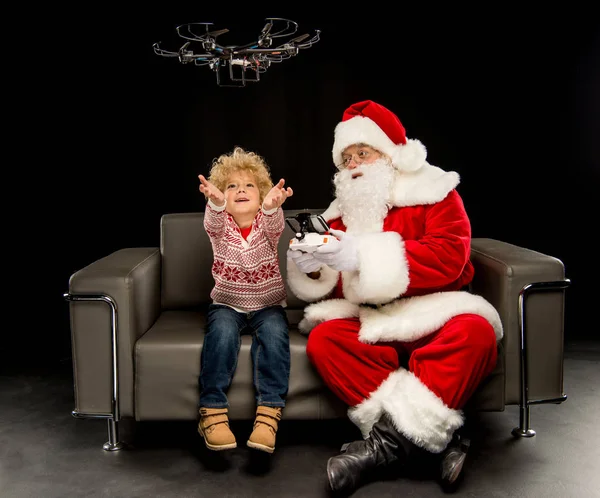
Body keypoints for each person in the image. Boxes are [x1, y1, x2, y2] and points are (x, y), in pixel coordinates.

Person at [286, 100, 503, 493]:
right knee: (325, 340)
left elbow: (449, 257)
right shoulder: (341, 210)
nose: (353, 164)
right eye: (346, 157)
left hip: (433, 311)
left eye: (362, 153)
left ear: (389, 154)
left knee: (476, 334)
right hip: (371, 318)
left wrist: (363, 255)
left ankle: (382, 447)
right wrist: (314, 268)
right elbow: (337, 283)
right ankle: (434, 443)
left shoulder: (435, 191)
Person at [197, 146, 293, 454]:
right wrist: (214, 202)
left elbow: (276, 221)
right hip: (227, 304)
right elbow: (211, 220)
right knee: (222, 333)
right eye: (232, 186)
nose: (241, 191)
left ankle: (268, 415)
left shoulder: (267, 225)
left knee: (275, 335)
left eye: (249, 185)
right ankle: (212, 412)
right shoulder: (220, 226)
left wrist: (272, 207)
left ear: (261, 193)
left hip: (268, 307)